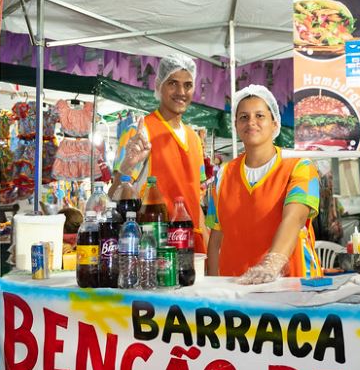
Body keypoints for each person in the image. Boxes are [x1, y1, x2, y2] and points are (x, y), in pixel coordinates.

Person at [205, 85, 322, 283]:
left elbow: (294, 219)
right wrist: (215, 286)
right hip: (237, 289)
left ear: (275, 124)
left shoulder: (300, 166)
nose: (251, 122)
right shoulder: (223, 174)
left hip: (292, 287)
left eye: (259, 115)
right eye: (243, 117)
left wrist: (271, 265)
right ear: (235, 126)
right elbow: (216, 236)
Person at [109, 53, 208, 252]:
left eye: (187, 85)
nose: (181, 91)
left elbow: (196, 201)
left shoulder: (195, 139)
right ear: (158, 85)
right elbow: (114, 194)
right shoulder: (140, 132)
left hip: (190, 245)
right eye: (173, 83)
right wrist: (127, 166)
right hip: (153, 247)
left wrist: (205, 242)